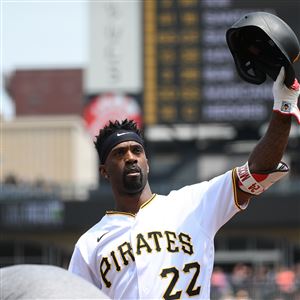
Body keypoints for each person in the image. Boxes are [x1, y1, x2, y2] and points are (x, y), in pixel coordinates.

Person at [68, 67, 300, 299]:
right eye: (119, 153)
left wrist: (284, 104)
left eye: (136, 150)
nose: (130, 157)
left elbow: (257, 172)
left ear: (147, 162)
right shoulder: (89, 244)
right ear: (104, 171)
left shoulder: (192, 204)